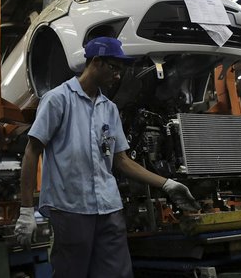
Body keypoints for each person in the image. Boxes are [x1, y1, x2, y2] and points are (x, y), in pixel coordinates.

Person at [14, 37, 200, 278]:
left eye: (120, 70)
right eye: (114, 68)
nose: (118, 76)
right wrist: (26, 210)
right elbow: (32, 151)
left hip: (109, 210)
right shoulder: (58, 99)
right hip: (71, 209)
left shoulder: (109, 109)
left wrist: (167, 184)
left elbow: (121, 160)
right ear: (96, 62)